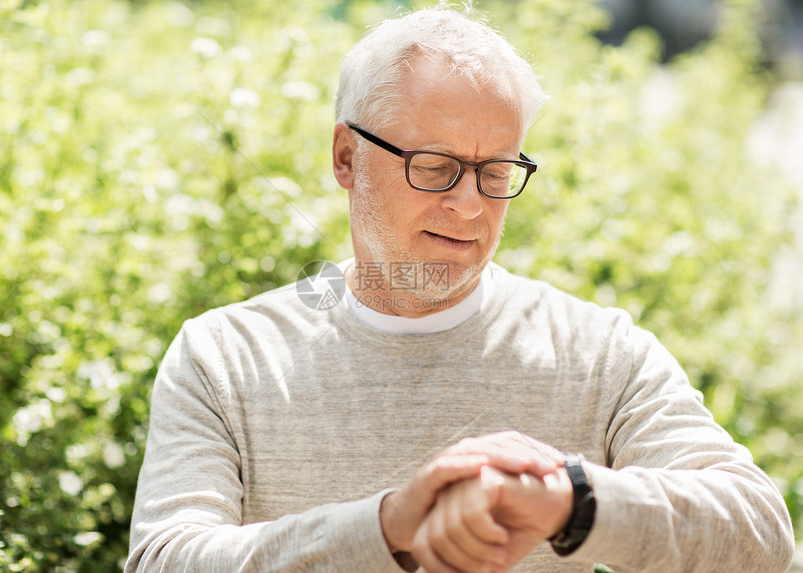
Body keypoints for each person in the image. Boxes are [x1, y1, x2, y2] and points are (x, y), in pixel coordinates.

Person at [126, 7, 794, 573]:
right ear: (346, 158)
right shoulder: (226, 356)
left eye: (496, 172)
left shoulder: (599, 353)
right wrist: (387, 528)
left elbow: (764, 537)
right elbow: (165, 556)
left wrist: (573, 500)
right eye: (436, 167)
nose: (471, 206)